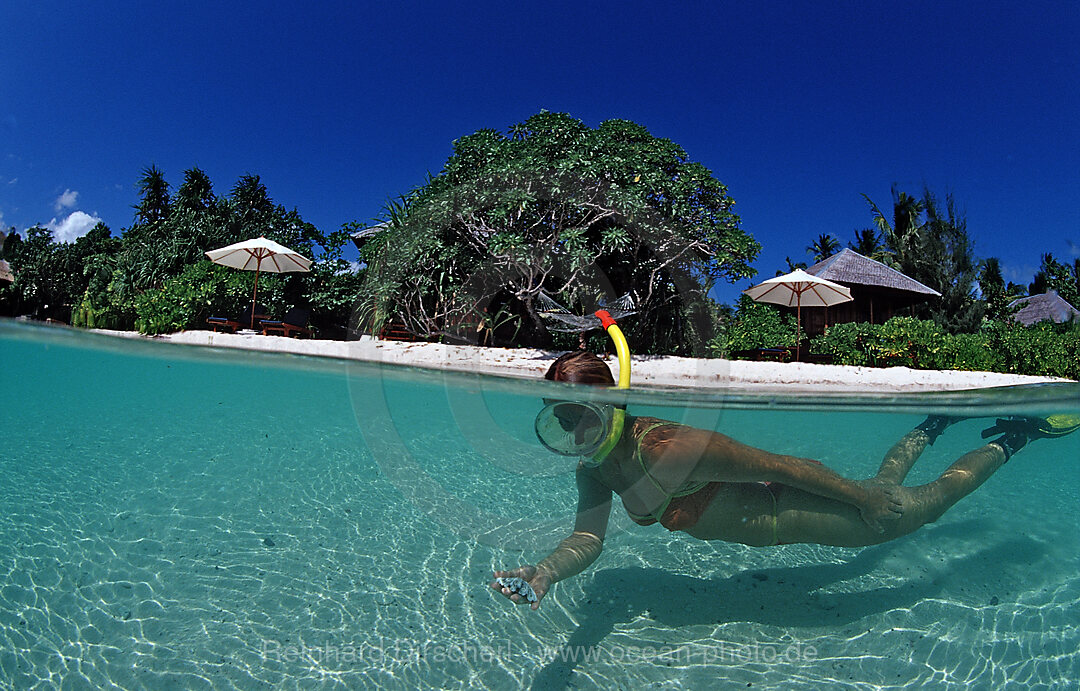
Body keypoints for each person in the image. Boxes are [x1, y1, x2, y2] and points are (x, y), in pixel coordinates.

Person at [492, 349, 1077, 610]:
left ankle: (1015, 437)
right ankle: (933, 423)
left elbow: (784, 467)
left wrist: (861, 502)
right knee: (888, 488)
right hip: (776, 517)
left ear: (614, 405)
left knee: (917, 509)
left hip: (788, 511)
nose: (577, 434)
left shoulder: (667, 447)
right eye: (563, 422)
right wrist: (546, 571)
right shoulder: (594, 467)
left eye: (585, 418)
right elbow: (588, 538)